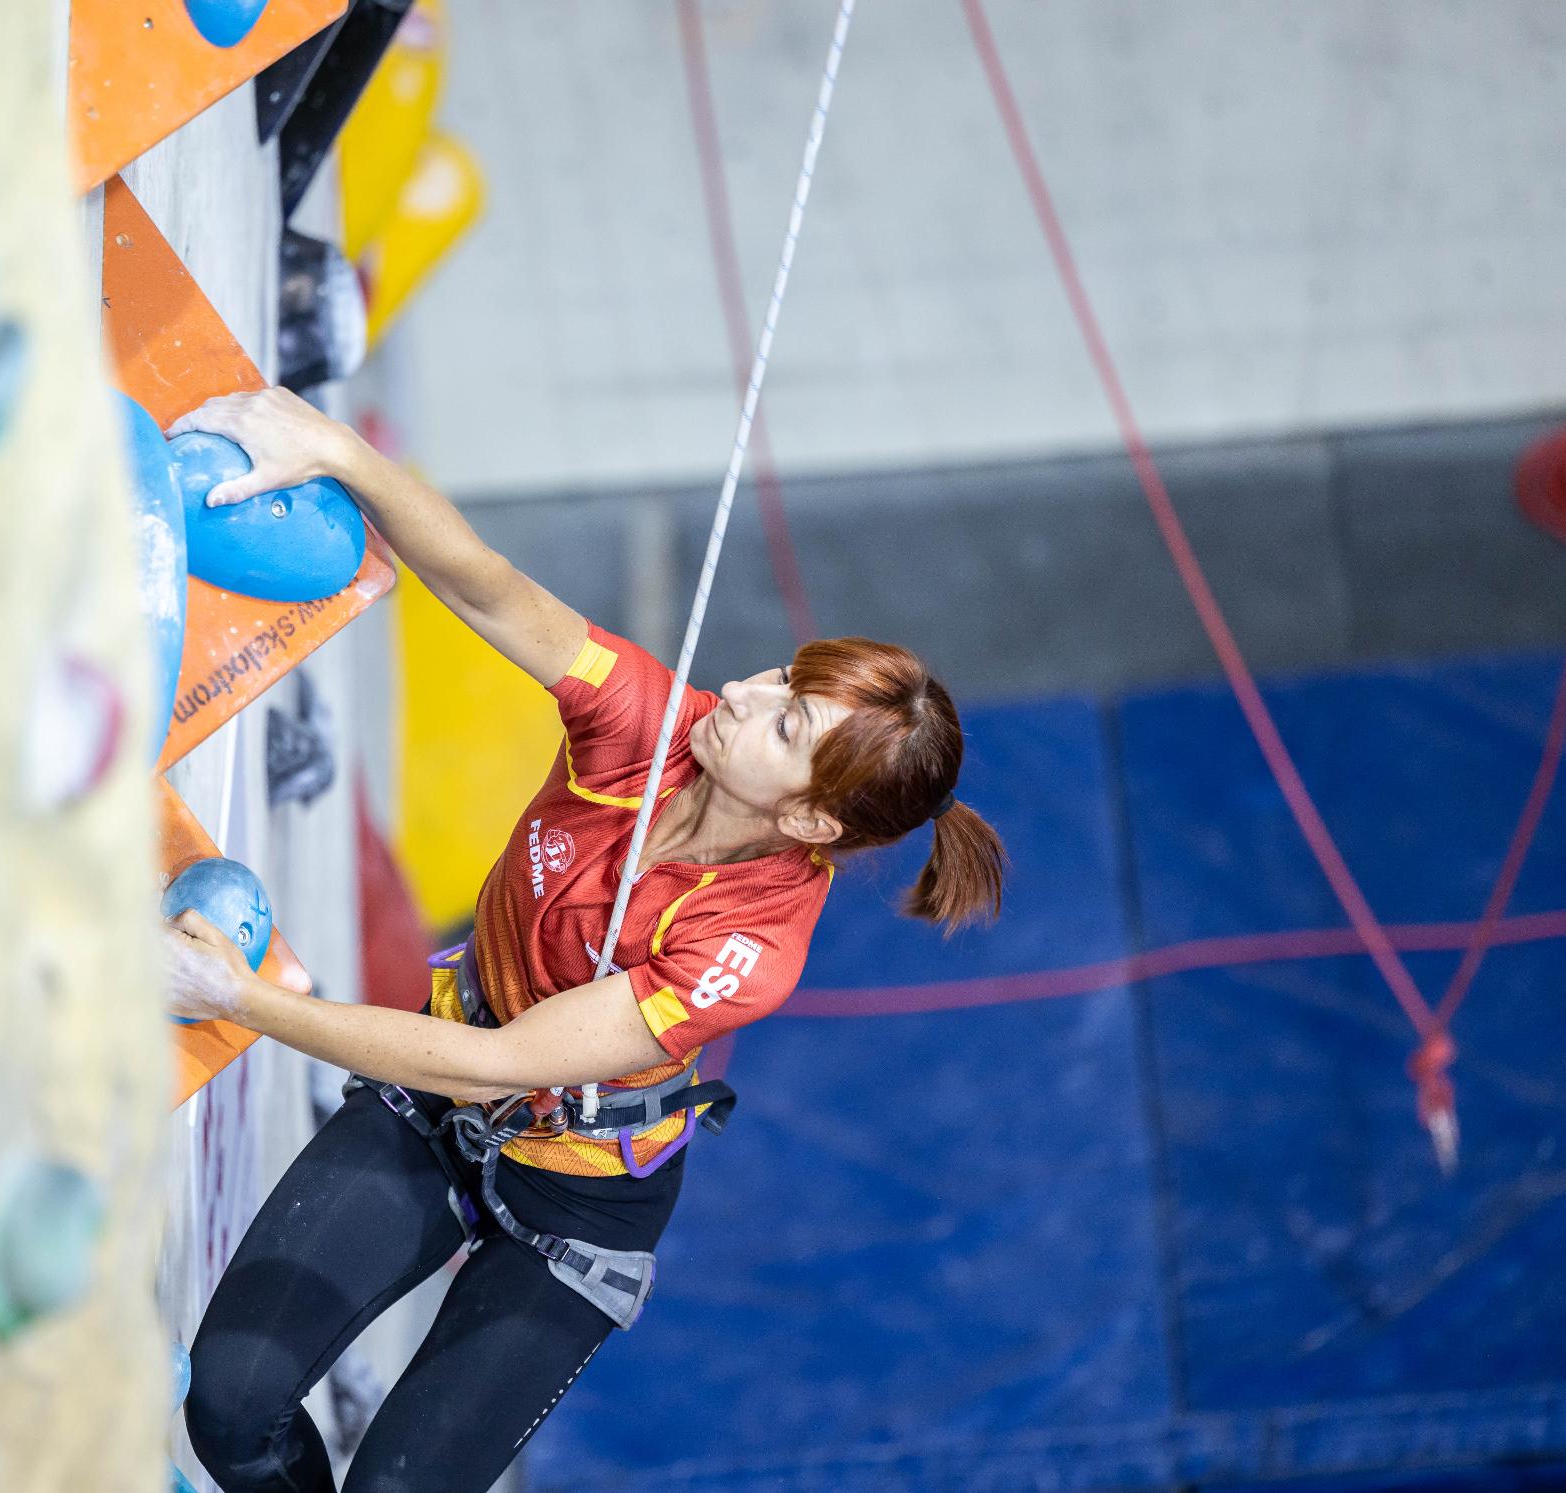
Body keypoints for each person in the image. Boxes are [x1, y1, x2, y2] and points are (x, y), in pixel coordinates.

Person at [163, 388, 1006, 1493]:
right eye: (782, 677)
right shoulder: (651, 727)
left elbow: (500, 1064)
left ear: (809, 821)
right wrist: (335, 450)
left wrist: (233, 992)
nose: (746, 694)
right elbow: (489, 589)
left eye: (784, 722)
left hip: (572, 1206)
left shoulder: (743, 951)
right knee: (227, 1405)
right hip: (437, 1110)